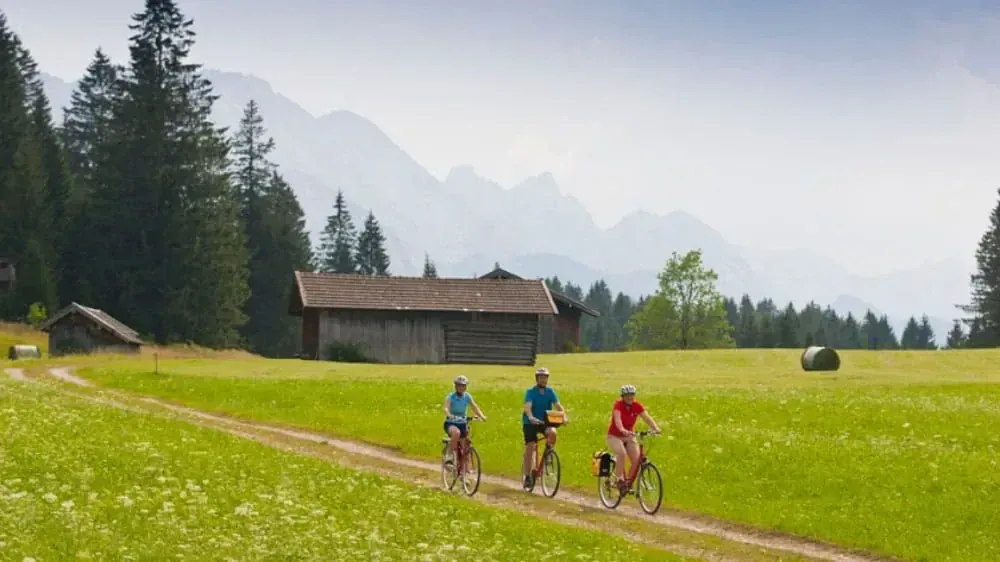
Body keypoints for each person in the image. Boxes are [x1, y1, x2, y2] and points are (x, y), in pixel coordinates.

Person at [606, 384, 661, 489]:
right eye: (627, 395)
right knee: (621, 454)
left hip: (629, 436)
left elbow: (646, 418)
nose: (630, 398)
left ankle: (627, 483)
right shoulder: (618, 405)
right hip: (614, 436)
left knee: (637, 459)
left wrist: (655, 428)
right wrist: (622, 429)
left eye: (632, 395)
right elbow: (617, 420)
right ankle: (619, 480)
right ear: (622, 396)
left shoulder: (636, 405)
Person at [521, 367, 567, 486]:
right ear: (537, 379)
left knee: (553, 433)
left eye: (545, 378)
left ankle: (547, 456)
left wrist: (564, 416)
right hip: (530, 422)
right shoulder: (531, 392)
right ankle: (527, 476)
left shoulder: (550, 392)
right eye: (541, 378)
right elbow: (528, 406)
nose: (543, 380)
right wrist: (530, 417)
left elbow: (558, 405)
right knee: (531, 446)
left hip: (544, 421)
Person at [443, 375, 486, 460]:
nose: (462, 387)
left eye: (464, 385)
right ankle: (449, 455)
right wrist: (449, 415)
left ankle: (465, 468)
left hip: (463, 423)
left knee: (465, 445)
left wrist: (481, 416)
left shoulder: (467, 396)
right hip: (451, 423)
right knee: (456, 433)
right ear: (455, 386)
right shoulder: (451, 396)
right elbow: (446, 408)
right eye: (459, 385)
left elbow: (474, 407)